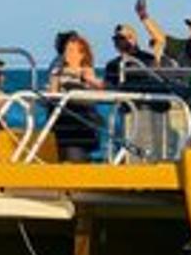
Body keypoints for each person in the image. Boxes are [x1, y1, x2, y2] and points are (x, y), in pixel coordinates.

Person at [47, 33, 103, 162]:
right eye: (67, 50)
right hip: (61, 123)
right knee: (62, 157)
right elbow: (53, 93)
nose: (68, 54)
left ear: (82, 53)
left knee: (76, 158)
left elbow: (96, 88)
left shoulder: (87, 71)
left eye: (72, 51)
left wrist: (80, 76)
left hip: (79, 125)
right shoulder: (57, 70)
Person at [104, 21, 165, 90]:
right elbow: (109, 86)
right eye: (115, 39)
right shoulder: (112, 65)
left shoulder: (148, 59)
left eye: (121, 38)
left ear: (133, 39)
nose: (117, 41)